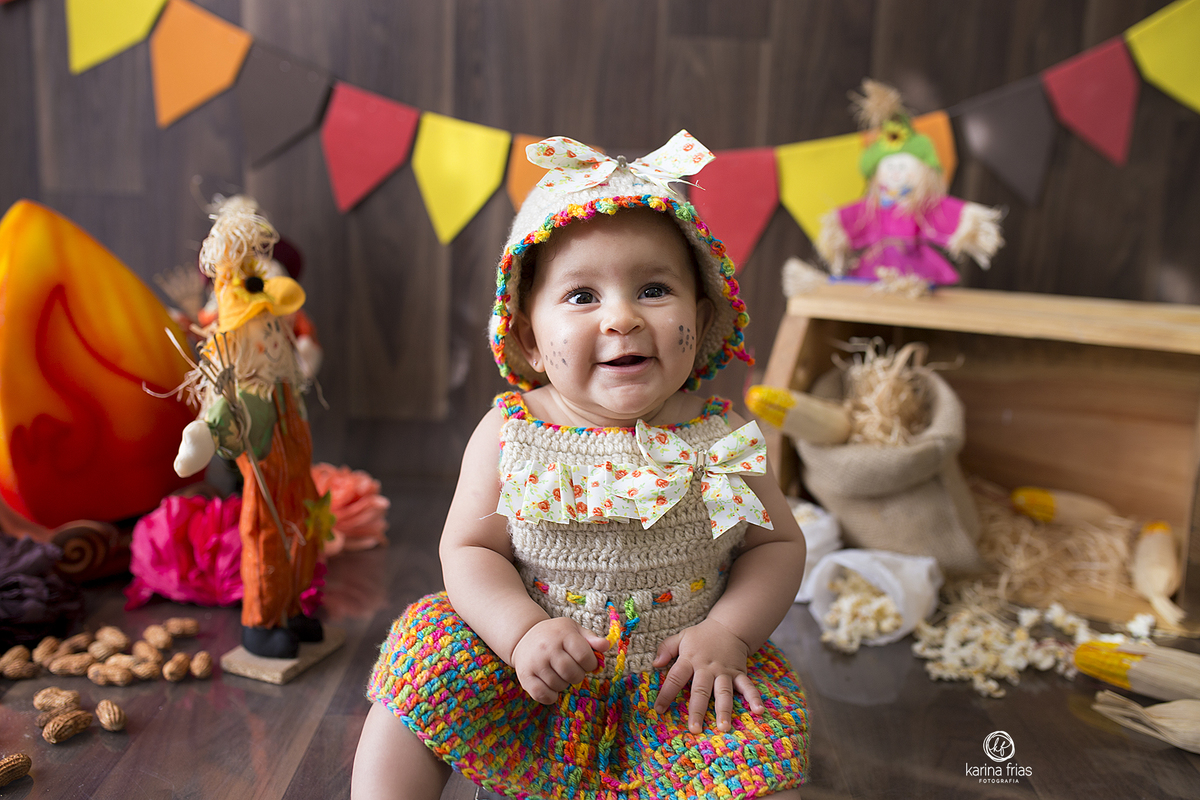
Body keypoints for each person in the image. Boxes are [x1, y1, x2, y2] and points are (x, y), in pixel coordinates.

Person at [352, 132, 808, 799]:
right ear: (530, 338)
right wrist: (520, 633)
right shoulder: (512, 432)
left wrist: (727, 633)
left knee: (765, 741)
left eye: (654, 289)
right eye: (582, 296)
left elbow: (776, 545)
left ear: (702, 316)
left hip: (679, 678)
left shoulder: (723, 435)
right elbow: (469, 550)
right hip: (531, 667)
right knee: (422, 664)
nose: (621, 317)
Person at [173, 197, 329, 659]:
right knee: (267, 541)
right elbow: (226, 418)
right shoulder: (249, 391)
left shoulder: (285, 382)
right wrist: (203, 436)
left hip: (299, 480)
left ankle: (293, 610)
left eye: (276, 332)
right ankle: (260, 623)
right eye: (264, 334)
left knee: (304, 540)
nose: (273, 341)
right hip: (268, 484)